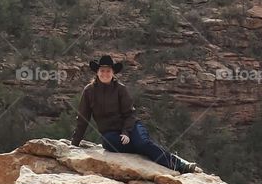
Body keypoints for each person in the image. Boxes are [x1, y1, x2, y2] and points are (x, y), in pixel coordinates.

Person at [68, 54, 201, 174]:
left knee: (142, 143)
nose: (105, 73)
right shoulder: (89, 91)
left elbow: (130, 114)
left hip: (131, 126)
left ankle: (178, 164)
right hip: (111, 133)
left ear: (113, 73)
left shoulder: (120, 89)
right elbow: (83, 119)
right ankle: (151, 151)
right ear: (97, 72)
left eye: (108, 71)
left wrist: (126, 132)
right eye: (102, 70)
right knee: (108, 143)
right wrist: (74, 144)